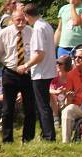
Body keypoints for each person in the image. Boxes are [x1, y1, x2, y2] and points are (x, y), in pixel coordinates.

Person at [0, 10, 35, 143]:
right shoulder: (5, 33)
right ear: (13, 20)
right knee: (7, 108)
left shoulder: (31, 32)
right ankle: (7, 139)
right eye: (18, 20)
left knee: (30, 108)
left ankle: (28, 138)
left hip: (27, 73)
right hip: (10, 72)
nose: (21, 23)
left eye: (23, 20)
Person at [21, 3, 57, 142]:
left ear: (26, 16)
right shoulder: (46, 25)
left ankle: (48, 136)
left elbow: (39, 54)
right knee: (44, 104)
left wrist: (26, 65)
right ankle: (46, 134)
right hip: (47, 70)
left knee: (42, 106)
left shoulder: (38, 28)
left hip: (41, 72)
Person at [50, 55, 71, 129]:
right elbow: (48, 89)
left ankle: (64, 117)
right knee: (51, 94)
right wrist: (56, 91)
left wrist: (65, 91)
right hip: (55, 103)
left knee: (69, 96)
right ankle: (56, 118)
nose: (57, 65)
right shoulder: (54, 75)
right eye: (57, 63)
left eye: (60, 64)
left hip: (66, 101)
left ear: (66, 65)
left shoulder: (71, 76)